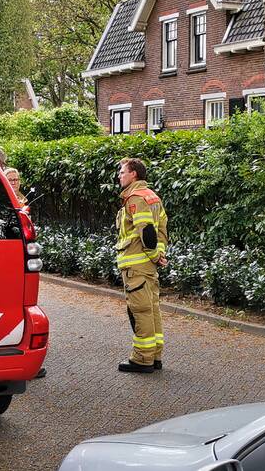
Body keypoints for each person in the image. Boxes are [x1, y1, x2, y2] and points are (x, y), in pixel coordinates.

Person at [114, 157, 168, 374]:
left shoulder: (135, 198)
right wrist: (160, 253)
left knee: (140, 310)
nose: (119, 176)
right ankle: (154, 356)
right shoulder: (153, 197)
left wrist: (154, 255)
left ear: (133, 174)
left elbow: (145, 231)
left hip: (137, 265)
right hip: (148, 266)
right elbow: (161, 228)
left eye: (122, 172)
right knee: (151, 309)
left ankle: (142, 359)